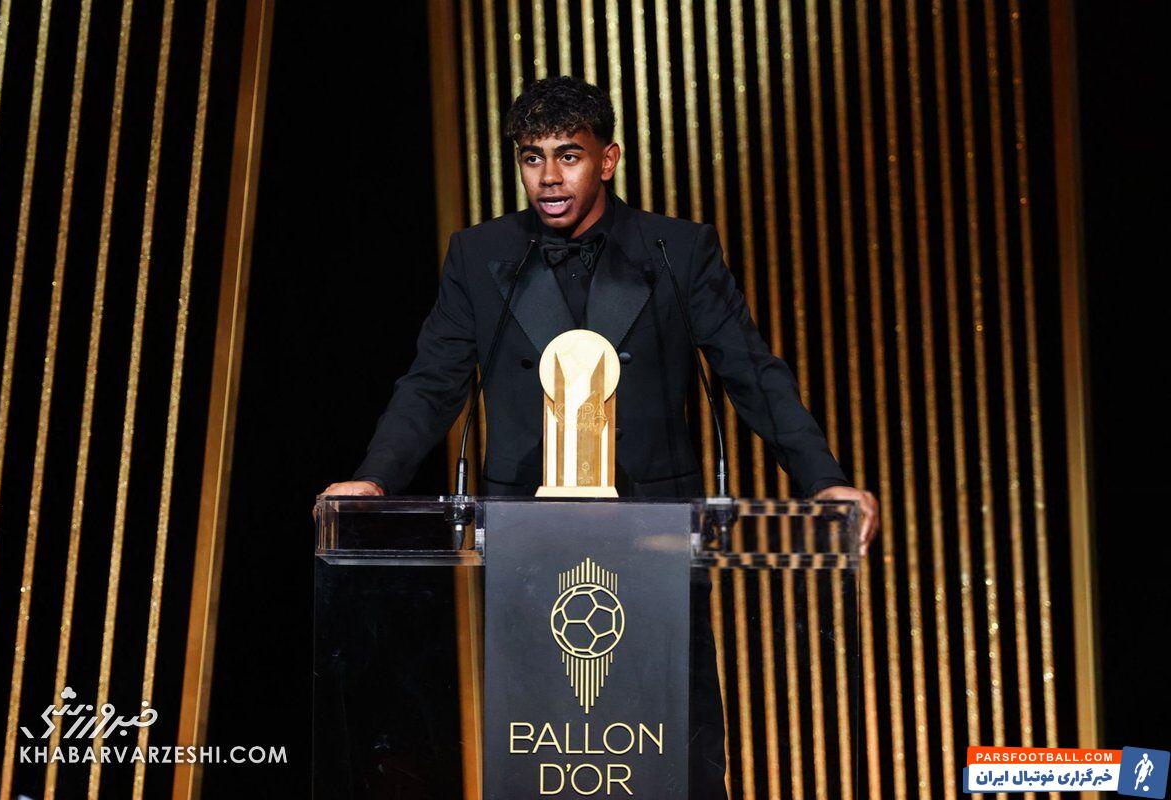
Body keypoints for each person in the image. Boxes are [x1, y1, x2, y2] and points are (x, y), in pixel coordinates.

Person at [321, 75, 879, 795]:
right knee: (543, 752)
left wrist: (823, 481)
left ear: (607, 159)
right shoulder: (479, 255)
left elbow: (751, 373)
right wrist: (375, 478)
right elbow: (432, 383)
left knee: (673, 751)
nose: (548, 178)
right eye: (532, 158)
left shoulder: (678, 250)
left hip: (655, 535)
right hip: (527, 540)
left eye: (568, 155)